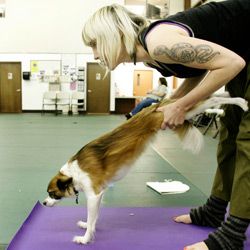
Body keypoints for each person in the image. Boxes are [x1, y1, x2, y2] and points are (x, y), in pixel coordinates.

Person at [82, 1, 250, 249]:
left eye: (95, 44)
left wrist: (181, 106)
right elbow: (199, 67)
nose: (95, 54)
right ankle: (214, 211)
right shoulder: (150, 57)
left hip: (241, 59)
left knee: (247, 142)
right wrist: (174, 101)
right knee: (229, 138)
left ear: (114, 33)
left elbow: (231, 64)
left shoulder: (159, 44)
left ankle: (233, 235)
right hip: (242, 55)